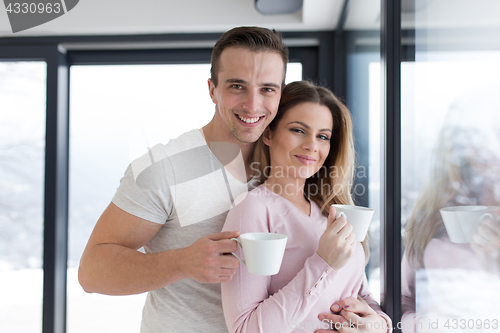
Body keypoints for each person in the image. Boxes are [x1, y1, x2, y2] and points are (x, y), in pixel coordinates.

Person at [78, 26, 289, 333]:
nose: (253, 105)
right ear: (212, 89)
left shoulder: (291, 164)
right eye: (236, 86)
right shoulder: (164, 169)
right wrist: (182, 262)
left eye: (267, 89)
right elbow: (91, 273)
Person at [221, 81, 392, 333]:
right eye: (299, 130)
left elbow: (360, 295)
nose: (312, 145)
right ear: (268, 134)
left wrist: (380, 324)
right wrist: (323, 262)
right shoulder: (254, 208)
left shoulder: (331, 211)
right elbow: (246, 328)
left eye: (323, 136)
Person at [401, 85, 500, 333]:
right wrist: (424, 325)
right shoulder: (433, 207)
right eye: (468, 135)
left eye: (490, 132)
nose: (479, 146)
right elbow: (400, 298)